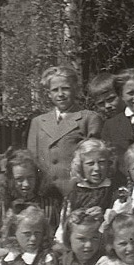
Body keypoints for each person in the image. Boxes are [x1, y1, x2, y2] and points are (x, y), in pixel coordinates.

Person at [26, 65, 102, 197]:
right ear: (49, 94)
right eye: (55, 90)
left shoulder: (88, 118)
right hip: (45, 194)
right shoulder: (38, 122)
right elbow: (32, 160)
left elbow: (95, 159)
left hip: (76, 192)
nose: (60, 94)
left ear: (75, 90)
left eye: (65, 89)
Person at [60, 139, 118, 233]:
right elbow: (64, 227)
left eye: (101, 162)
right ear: (80, 166)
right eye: (90, 164)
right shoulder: (74, 194)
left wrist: (104, 215)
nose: (97, 168)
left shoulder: (115, 192)